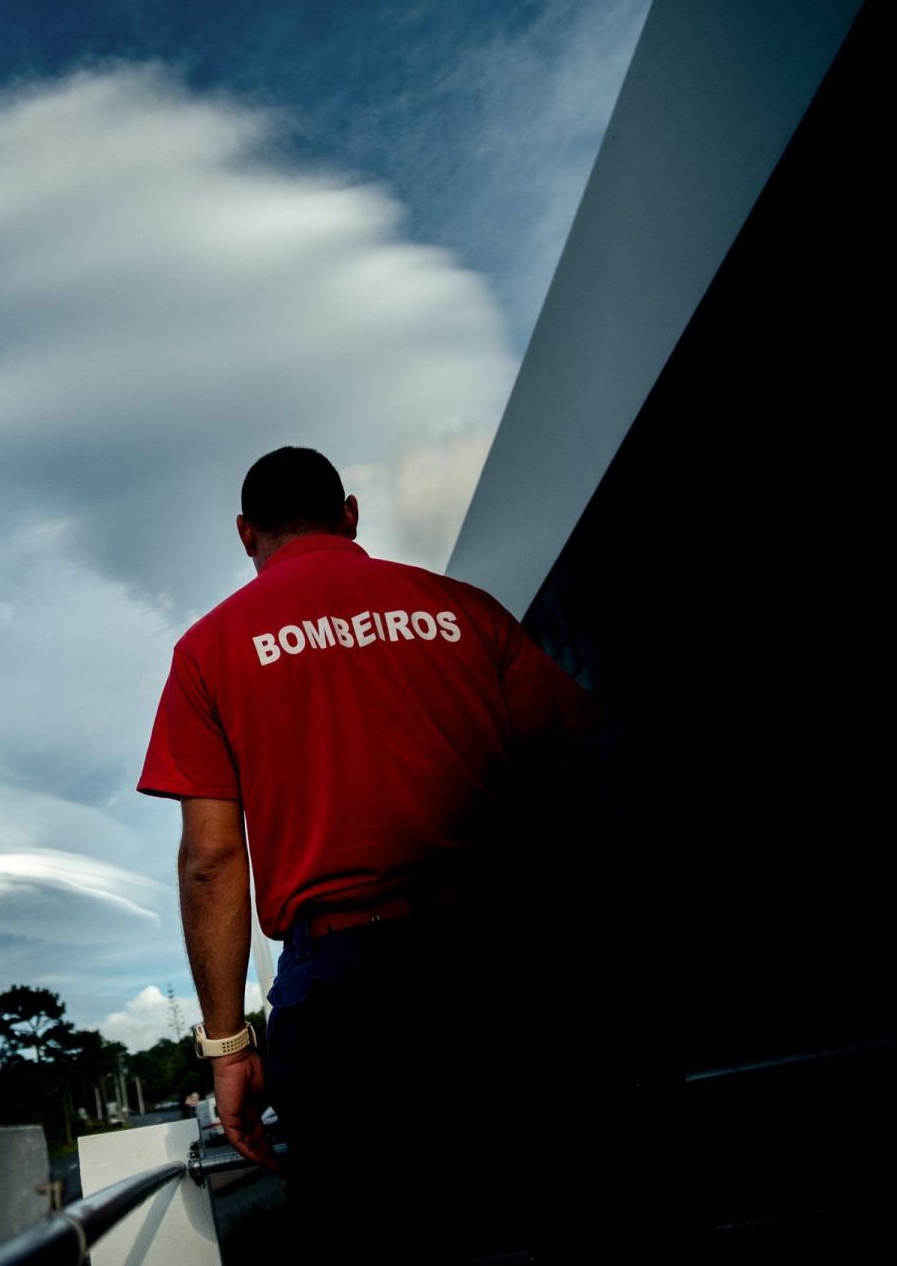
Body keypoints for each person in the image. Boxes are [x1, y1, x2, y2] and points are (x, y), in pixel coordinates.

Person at [137, 446, 605, 1260]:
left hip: (340, 993)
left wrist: (228, 1046)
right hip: (500, 963)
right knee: (553, 1214)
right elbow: (577, 784)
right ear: (350, 514)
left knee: (376, 1239)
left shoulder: (207, 651)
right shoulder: (464, 610)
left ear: (245, 534)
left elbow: (211, 860)